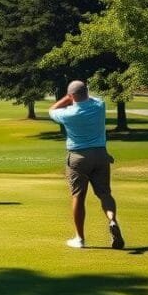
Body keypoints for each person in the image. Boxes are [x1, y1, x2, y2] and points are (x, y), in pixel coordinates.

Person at [48, 80, 125, 249]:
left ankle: (80, 239)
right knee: (105, 194)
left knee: (78, 196)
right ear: (87, 92)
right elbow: (93, 98)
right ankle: (112, 220)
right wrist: (80, 95)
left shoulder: (68, 114)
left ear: (72, 95)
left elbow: (52, 110)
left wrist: (67, 99)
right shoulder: (99, 106)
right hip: (100, 155)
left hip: (78, 157)